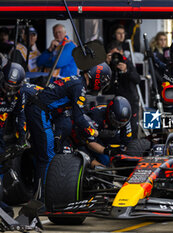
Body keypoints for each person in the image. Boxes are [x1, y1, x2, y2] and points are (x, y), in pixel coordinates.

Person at [22, 62, 111, 199]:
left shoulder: (77, 81)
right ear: (98, 78)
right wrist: (94, 133)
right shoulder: (79, 87)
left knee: (46, 154)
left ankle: (40, 195)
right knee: (47, 156)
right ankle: (42, 199)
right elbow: (79, 117)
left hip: (40, 111)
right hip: (40, 112)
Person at [0, 60, 26, 217]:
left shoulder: (19, 94)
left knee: (3, 165)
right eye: (7, 86)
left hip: (1, 134)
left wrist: (21, 137)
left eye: (13, 87)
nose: (9, 90)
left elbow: (19, 115)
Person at [84, 96, 132, 167]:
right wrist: (108, 151)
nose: (118, 126)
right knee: (105, 160)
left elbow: (127, 142)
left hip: (112, 138)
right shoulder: (95, 116)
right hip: (95, 139)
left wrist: (120, 151)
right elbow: (89, 142)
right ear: (109, 114)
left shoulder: (125, 120)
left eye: (120, 124)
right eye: (116, 123)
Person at [105, 41, 140, 138]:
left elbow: (137, 79)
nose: (115, 58)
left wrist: (125, 71)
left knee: (132, 128)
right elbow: (105, 86)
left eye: (117, 54)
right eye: (112, 55)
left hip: (130, 101)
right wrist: (107, 65)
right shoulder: (107, 66)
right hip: (113, 102)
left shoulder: (127, 63)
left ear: (122, 52)